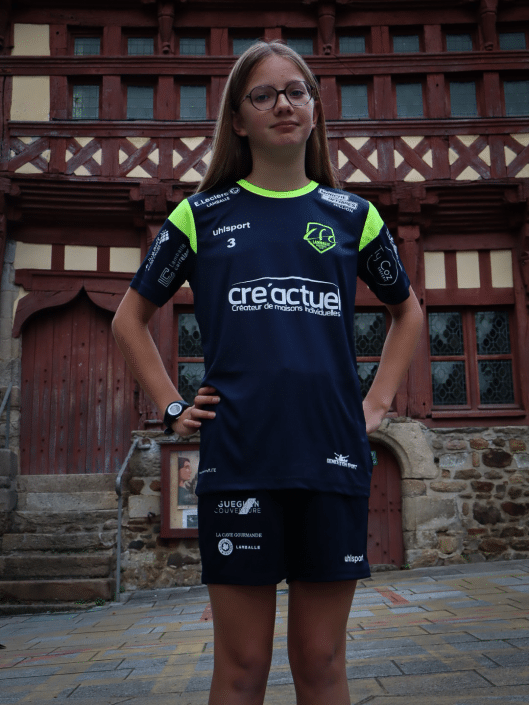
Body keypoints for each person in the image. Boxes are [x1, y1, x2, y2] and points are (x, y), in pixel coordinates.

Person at [113, 40, 423, 705]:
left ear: (314, 109)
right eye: (263, 95)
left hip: (332, 459)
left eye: (295, 91)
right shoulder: (199, 216)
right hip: (240, 462)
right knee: (242, 666)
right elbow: (128, 319)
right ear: (238, 119)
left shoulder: (353, 216)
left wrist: (375, 404)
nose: (283, 104)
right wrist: (172, 406)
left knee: (321, 661)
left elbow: (408, 313)